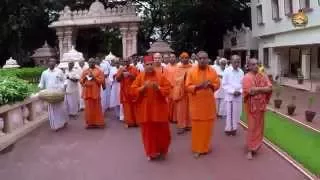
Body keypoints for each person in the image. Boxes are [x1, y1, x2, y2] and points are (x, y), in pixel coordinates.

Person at [131, 55, 172, 161]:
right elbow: (133, 90)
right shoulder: (140, 77)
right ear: (144, 66)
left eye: (151, 64)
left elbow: (168, 89)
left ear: (154, 64)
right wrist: (142, 88)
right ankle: (151, 152)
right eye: (147, 65)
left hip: (159, 109)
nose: (149, 66)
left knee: (163, 132)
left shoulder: (160, 76)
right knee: (148, 133)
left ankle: (162, 150)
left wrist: (158, 88)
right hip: (146, 111)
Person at [185, 51, 220, 158]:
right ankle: (197, 148)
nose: (203, 60)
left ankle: (205, 147)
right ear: (197, 59)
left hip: (208, 105)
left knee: (208, 128)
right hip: (196, 105)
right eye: (200, 58)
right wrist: (199, 86)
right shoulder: (191, 71)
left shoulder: (213, 71)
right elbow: (187, 86)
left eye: (205, 58)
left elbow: (217, 84)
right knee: (197, 128)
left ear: (208, 59)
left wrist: (211, 85)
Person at [243, 58, 272, 160]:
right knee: (252, 127)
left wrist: (258, 89)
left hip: (261, 106)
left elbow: (270, 88)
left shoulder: (263, 76)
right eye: (253, 64)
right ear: (249, 66)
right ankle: (250, 149)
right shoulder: (247, 77)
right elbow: (250, 91)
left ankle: (256, 146)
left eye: (257, 64)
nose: (256, 66)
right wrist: (262, 89)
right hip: (252, 106)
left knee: (260, 126)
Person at [39, 58, 68, 131]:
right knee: (52, 111)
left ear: (55, 63)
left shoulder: (59, 71)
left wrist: (64, 87)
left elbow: (65, 81)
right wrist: (40, 90)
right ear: (48, 63)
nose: (51, 63)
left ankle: (63, 122)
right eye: (50, 62)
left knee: (61, 109)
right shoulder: (44, 73)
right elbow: (41, 83)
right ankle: (55, 126)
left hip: (58, 93)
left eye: (53, 62)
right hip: (50, 95)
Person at [80, 58, 106, 129]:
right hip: (87, 92)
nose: (91, 63)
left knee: (97, 108)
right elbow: (81, 81)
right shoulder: (85, 71)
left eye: (92, 62)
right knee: (88, 109)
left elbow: (101, 81)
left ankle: (98, 123)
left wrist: (94, 77)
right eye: (90, 62)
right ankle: (89, 123)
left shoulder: (99, 71)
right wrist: (85, 78)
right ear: (88, 63)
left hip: (95, 92)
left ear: (95, 63)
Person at [222, 55, 244, 136]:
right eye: (235, 61)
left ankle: (234, 128)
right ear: (231, 61)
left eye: (238, 61)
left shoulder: (241, 72)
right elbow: (224, 84)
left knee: (237, 113)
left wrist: (240, 91)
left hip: (238, 96)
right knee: (230, 113)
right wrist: (233, 91)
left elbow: (243, 84)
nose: (237, 63)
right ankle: (229, 129)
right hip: (230, 96)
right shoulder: (227, 71)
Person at [116, 58, 139, 128]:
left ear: (130, 61)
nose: (126, 62)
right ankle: (128, 122)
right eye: (124, 61)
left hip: (132, 91)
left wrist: (129, 74)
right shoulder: (121, 69)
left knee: (134, 107)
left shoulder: (134, 68)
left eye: (127, 61)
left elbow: (138, 78)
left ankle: (136, 122)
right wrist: (121, 74)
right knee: (126, 108)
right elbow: (117, 79)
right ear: (123, 62)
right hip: (124, 92)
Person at [173, 52, 193, 134]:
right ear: (180, 59)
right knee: (181, 109)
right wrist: (183, 77)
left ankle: (189, 124)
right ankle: (181, 126)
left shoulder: (192, 67)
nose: (185, 59)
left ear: (189, 58)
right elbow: (176, 80)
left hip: (190, 91)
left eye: (186, 57)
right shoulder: (178, 68)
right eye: (183, 57)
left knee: (190, 109)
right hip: (181, 92)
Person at [164, 53, 177, 123]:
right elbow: (165, 78)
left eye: (173, 57)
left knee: (175, 103)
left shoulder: (178, 67)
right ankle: (169, 117)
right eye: (171, 57)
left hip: (176, 88)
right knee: (169, 103)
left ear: (175, 58)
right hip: (169, 88)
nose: (172, 58)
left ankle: (175, 118)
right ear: (169, 59)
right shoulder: (167, 67)